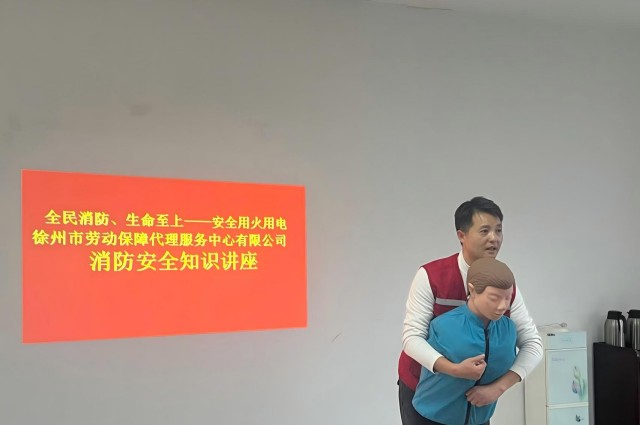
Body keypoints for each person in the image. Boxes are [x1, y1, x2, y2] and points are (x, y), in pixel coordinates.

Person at [398, 196, 543, 425]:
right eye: (484, 231)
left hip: (476, 402)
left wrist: (498, 387)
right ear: (461, 235)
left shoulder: (505, 286)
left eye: (498, 230)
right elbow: (412, 338)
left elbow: (533, 344)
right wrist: (453, 370)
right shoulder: (431, 276)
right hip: (424, 392)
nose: (494, 238)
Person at [412, 258, 518, 425]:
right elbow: (415, 345)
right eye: (494, 298)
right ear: (472, 290)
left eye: (507, 298)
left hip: (480, 419)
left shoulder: (509, 330)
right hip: (432, 418)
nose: (502, 306)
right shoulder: (444, 326)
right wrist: (455, 370)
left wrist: (497, 388)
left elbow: (527, 354)